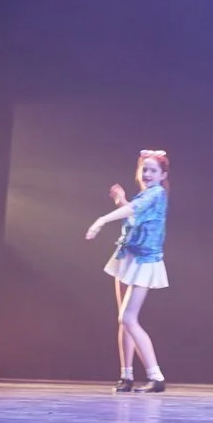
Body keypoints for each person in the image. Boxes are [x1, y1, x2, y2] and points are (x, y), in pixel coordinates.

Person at [84, 149, 170, 392]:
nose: (147, 174)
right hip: (128, 255)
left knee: (128, 318)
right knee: (123, 319)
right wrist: (120, 201)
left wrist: (101, 220)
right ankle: (126, 375)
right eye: (145, 169)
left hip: (145, 260)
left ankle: (156, 376)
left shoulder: (157, 193)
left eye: (153, 170)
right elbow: (133, 217)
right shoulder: (144, 195)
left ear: (163, 175)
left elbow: (133, 210)